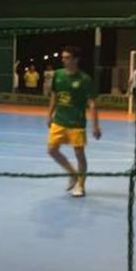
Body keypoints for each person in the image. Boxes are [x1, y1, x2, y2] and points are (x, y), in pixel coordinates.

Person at [47, 46, 101, 198]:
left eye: (67, 57)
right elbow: (54, 96)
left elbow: (92, 103)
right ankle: (72, 173)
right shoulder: (58, 75)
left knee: (79, 154)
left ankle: (81, 185)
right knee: (52, 150)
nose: (63, 60)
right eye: (63, 57)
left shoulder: (84, 79)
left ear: (76, 59)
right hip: (59, 120)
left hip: (76, 122)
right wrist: (49, 114)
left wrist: (95, 125)